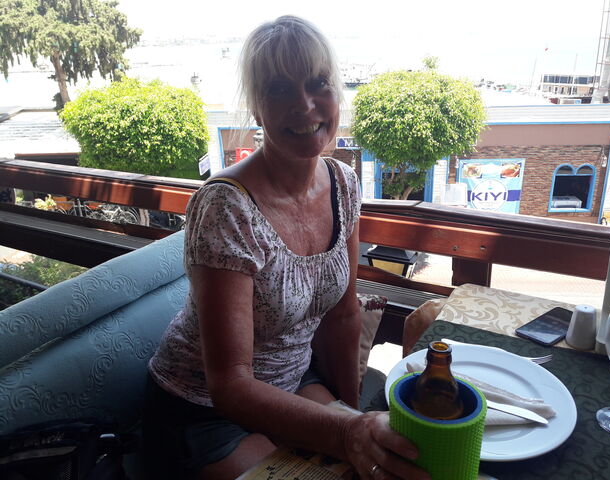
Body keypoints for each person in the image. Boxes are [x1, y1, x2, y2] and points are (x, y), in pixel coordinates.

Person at [143, 15, 429, 480]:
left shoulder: (343, 183)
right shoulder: (225, 207)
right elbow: (230, 383)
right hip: (202, 410)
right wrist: (346, 434)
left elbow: (343, 316)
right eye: (279, 89)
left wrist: (353, 421)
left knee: (383, 463)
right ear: (257, 110)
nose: (304, 104)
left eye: (318, 83)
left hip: (294, 381)